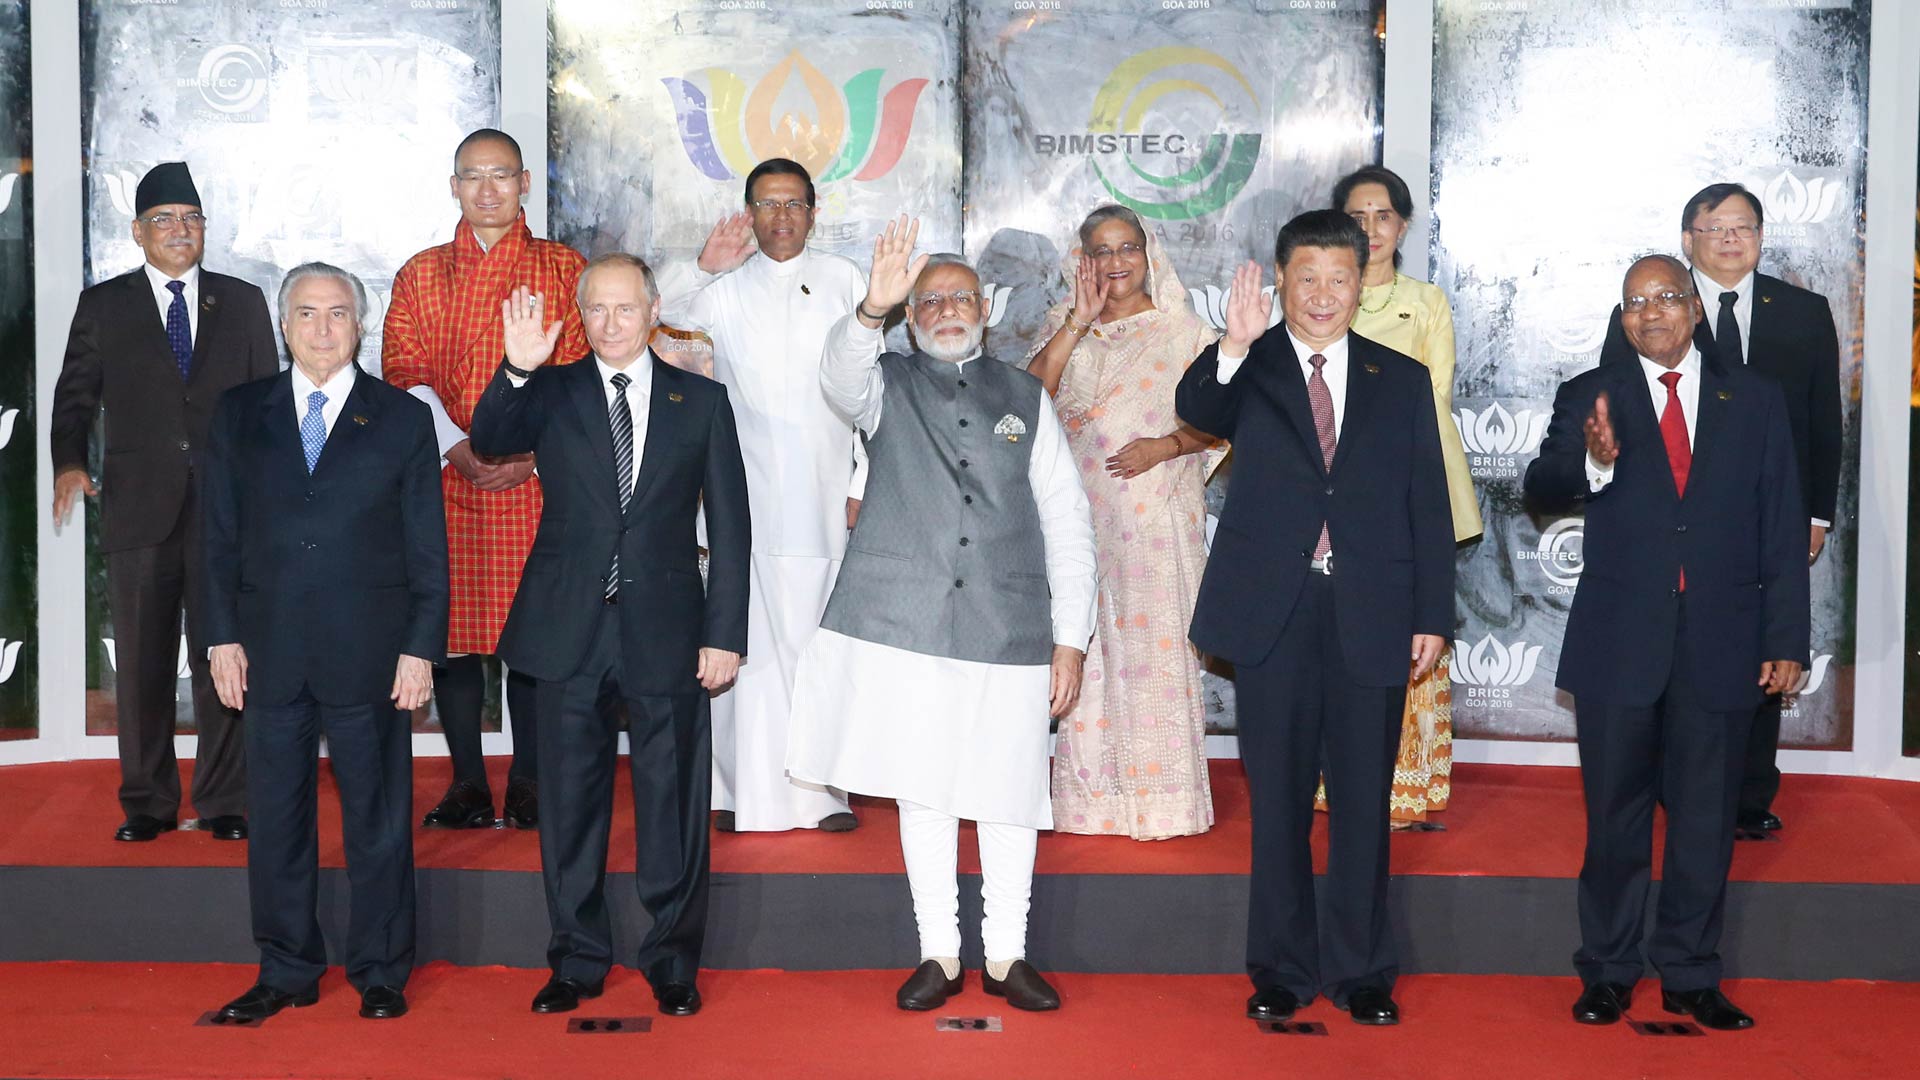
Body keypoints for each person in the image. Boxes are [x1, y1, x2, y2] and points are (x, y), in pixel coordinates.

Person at [786, 221, 1096, 1012]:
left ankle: (1008, 956)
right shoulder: (883, 381)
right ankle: (940, 954)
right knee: (922, 792)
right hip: (909, 627)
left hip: (1010, 627)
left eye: (961, 297)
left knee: (1008, 793)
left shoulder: (1025, 397)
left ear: (985, 310)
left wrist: (1070, 640)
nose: (947, 309)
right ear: (910, 315)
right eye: (929, 301)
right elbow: (838, 376)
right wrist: (869, 309)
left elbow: (1067, 520)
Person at [1175, 210, 1454, 1026]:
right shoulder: (1249, 365)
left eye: (1339, 278)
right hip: (1276, 613)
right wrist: (1233, 344)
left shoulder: (1399, 377)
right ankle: (1282, 971)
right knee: (1280, 803)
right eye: (1307, 278)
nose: (1323, 294)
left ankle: (1362, 973)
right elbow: (1197, 406)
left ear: (1362, 281)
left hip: (1374, 609)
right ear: (1280, 279)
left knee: (1364, 803)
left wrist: (1432, 611)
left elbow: (1427, 502)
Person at [1528, 254, 1807, 1031]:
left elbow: (1782, 524)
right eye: (1634, 303)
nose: (1650, 313)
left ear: (1695, 307)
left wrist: (1787, 636)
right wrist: (1593, 462)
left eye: (1665, 297)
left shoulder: (1755, 399)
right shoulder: (1591, 395)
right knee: (1613, 821)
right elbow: (1541, 486)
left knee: (1706, 821)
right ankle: (1608, 971)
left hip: (1724, 640)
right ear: (1622, 319)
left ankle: (1689, 973)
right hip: (1620, 642)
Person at [469, 255, 750, 1019]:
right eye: (597, 309)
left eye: (626, 308)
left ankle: (672, 961)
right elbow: (490, 439)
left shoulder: (702, 400)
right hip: (568, 627)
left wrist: (724, 632)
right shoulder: (550, 388)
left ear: (654, 311)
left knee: (673, 801)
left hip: (669, 629)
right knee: (567, 804)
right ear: (580, 315)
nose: (612, 322)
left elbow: (731, 524)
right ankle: (576, 959)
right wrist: (517, 369)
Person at [203, 263, 448, 1022]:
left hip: (371, 653)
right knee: (276, 821)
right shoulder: (238, 412)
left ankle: (381, 970)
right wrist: (220, 638)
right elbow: (216, 538)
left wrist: (420, 648)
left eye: (337, 313)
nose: (321, 328)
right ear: (284, 325)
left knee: (378, 818)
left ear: (360, 325)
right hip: (267, 650)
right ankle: (286, 969)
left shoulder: (402, 419)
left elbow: (427, 547)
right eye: (306, 313)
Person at [1598, 183, 1841, 836]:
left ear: (1761, 237)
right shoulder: (1651, 310)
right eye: (1717, 227)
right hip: (1675, 525)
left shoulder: (1804, 311)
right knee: (1677, 660)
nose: (1733, 239)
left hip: (1770, 515)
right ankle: (1672, 790)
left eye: (1745, 227)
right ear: (1688, 240)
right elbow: (1616, 410)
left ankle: (1748, 796)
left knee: (1763, 649)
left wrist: (1816, 515)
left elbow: (1823, 420)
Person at [49, 161, 279, 843]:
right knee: (143, 667)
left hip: (225, 512)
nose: (180, 230)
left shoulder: (242, 301)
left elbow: (267, 404)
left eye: (190, 218)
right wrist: (69, 463)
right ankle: (147, 803)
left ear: (204, 228)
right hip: (139, 509)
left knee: (224, 657)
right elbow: (73, 397)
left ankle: (225, 801)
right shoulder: (105, 305)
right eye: (164, 220)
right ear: (137, 232)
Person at [383, 129, 588, 832]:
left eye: (502, 174)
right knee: (451, 631)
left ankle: (528, 779)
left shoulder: (564, 267)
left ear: (525, 182)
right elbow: (403, 371)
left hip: (536, 478)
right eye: (473, 176)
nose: (488, 189)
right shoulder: (421, 273)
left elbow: (584, 371)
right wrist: (454, 445)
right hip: (446, 472)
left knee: (532, 629)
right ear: (454, 186)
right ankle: (468, 780)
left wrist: (536, 453)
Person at [655, 158, 865, 834]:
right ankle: (734, 788)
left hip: (824, 494)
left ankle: (818, 793)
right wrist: (701, 267)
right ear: (748, 214)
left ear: (814, 212)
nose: (781, 217)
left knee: (814, 641)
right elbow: (653, 322)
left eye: (793, 203)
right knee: (739, 641)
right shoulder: (724, 288)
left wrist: (862, 480)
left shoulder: (845, 280)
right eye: (767, 204)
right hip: (736, 494)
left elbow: (872, 389)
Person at [1025, 204, 1220, 840]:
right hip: (1076, 517)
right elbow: (1025, 402)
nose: (1116, 262)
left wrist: (1164, 447)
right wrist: (1077, 324)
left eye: (1127, 248)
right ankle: (1090, 804)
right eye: (1102, 251)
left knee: (1154, 654)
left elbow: (1225, 420)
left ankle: (1165, 804)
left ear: (1148, 253)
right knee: (1083, 648)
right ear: (1082, 261)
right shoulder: (1062, 324)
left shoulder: (1183, 332)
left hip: (1155, 518)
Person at [1313, 165, 1483, 829]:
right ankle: (1335, 785)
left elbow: (1431, 401)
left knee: (1412, 637)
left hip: (1409, 494)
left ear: (1403, 226)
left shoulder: (1426, 301)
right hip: (1328, 505)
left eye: (1382, 215)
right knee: (1337, 643)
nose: (1370, 228)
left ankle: (1403, 790)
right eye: (1356, 216)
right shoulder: (1321, 300)